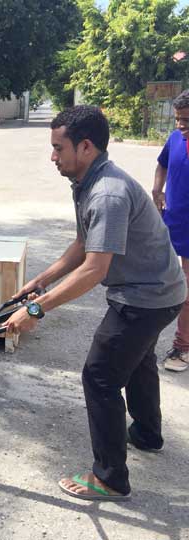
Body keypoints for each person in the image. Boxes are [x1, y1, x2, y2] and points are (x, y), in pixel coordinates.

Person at [6, 105, 186, 501]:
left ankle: (110, 478)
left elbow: (94, 269)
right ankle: (148, 434)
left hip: (146, 298)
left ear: (85, 146)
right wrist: (40, 280)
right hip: (162, 291)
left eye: (59, 148)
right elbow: (83, 243)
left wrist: (36, 309)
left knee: (100, 376)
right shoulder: (88, 181)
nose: (52, 157)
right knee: (138, 360)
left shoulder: (107, 193)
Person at [153, 89, 189, 372]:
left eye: (186, 120)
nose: (180, 125)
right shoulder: (176, 138)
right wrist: (157, 189)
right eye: (178, 118)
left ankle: (183, 347)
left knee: (187, 290)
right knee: (158, 281)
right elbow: (162, 163)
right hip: (173, 221)